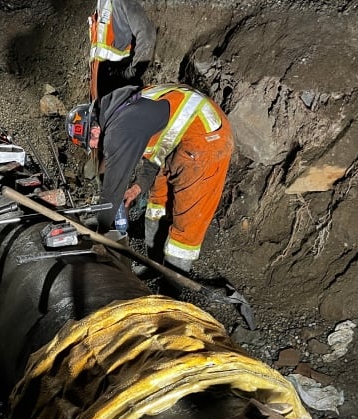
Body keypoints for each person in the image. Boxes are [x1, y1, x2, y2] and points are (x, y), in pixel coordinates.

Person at [65, 84, 234, 275]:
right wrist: (138, 187)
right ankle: (154, 266)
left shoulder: (119, 130)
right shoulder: (120, 109)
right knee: (157, 202)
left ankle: (171, 290)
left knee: (187, 224)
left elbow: (112, 191)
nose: (96, 147)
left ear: (93, 130)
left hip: (207, 141)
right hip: (178, 142)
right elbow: (158, 144)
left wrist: (100, 232)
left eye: (91, 142)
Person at [89, 0, 156, 100]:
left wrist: (133, 72)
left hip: (121, 89)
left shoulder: (121, 2)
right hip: (103, 93)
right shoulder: (101, 5)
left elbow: (147, 33)